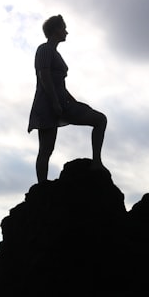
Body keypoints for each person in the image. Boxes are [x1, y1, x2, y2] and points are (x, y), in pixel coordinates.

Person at [28, 15, 107, 183]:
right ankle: (42, 186)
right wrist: (55, 102)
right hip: (49, 104)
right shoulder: (45, 49)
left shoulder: (54, 52)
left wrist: (73, 100)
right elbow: (44, 76)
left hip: (62, 102)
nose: (66, 32)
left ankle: (97, 161)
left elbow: (59, 84)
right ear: (55, 30)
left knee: (99, 120)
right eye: (63, 28)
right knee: (46, 149)